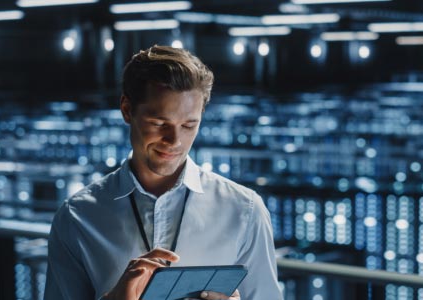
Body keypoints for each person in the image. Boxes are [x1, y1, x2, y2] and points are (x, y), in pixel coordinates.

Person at [44, 45, 282, 300]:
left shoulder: (245, 210)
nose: (174, 140)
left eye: (189, 125)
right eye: (159, 123)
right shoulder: (76, 218)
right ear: (126, 109)